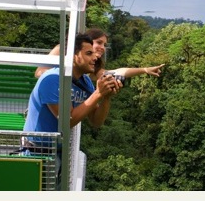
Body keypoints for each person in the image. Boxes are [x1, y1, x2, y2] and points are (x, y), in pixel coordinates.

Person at [23, 32, 123, 189]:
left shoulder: (84, 82)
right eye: (89, 53)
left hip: (60, 150)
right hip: (38, 153)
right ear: (74, 56)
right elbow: (67, 120)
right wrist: (98, 93)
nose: (95, 57)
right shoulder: (53, 79)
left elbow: (96, 121)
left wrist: (106, 97)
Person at [35, 27, 165, 81]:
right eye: (99, 42)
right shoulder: (62, 49)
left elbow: (115, 73)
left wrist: (145, 70)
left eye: (104, 45)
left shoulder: (90, 66)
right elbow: (39, 73)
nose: (102, 48)